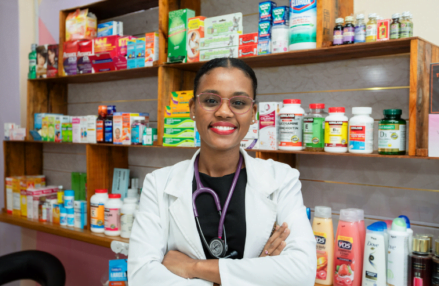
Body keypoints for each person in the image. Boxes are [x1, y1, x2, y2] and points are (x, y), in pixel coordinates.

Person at [128, 58, 316, 285]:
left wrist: (194, 267)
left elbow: (300, 273)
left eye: (238, 103)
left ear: (253, 112)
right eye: (210, 100)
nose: (224, 112)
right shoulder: (158, 183)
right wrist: (257, 270)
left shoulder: (282, 179)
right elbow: (141, 277)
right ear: (192, 109)